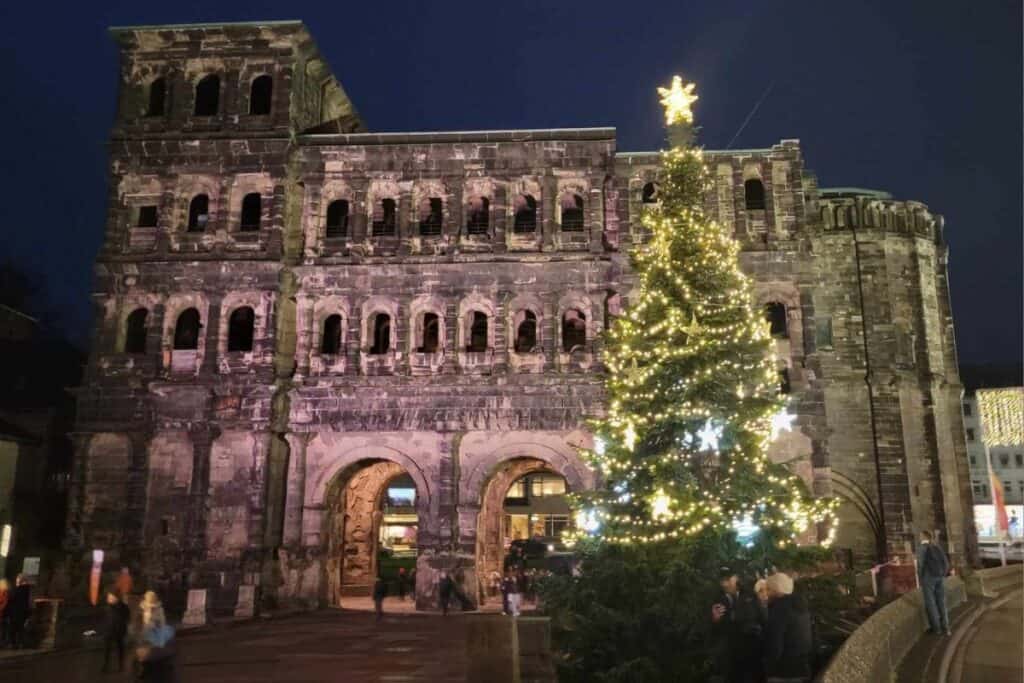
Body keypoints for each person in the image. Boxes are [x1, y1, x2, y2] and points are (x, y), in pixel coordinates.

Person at [709, 566, 766, 683]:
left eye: (728, 579)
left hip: (752, 652)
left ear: (736, 578)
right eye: (722, 580)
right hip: (730, 655)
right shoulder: (716, 599)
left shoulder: (749, 595)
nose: (725, 584)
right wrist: (714, 619)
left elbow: (762, 619)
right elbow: (712, 629)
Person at [762, 572, 812, 683]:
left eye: (768, 589)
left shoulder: (779, 610)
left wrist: (768, 665)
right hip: (801, 668)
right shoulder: (801, 607)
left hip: (782, 672)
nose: (766, 594)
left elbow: (775, 644)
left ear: (775, 590)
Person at [916, 530, 951, 636]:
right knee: (941, 601)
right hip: (939, 576)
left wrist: (921, 577)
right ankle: (946, 627)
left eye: (920, 536)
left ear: (923, 537)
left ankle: (936, 629)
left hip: (928, 578)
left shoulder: (922, 548)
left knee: (930, 603)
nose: (919, 538)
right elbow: (945, 561)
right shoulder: (936, 546)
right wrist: (943, 573)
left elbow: (921, 565)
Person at [136, 591, 176, 682]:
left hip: (155, 632)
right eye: (148, 599)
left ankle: (160, 668)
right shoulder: (142, 608)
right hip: (145, 631)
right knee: (144, 652)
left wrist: (158, 624)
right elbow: (139, 619)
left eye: (151, 599)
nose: (150, 601)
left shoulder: (159, 609)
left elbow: (162, 620)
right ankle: (144, 669)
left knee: (155, 651)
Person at [101, 590, 130, 673]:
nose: (109, 598)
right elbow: (104, 618)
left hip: (119, 630)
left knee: (120, 648)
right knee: (107, 649)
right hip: (108, 630)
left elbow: (127, 616)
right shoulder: (106, 607)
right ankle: (105, 665)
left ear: (116, 598)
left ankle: (121, 665)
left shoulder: (122, 606)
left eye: (111, 597)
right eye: (108, 597)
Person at [7, 574, 31, 649]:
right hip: (23, 612)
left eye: (17, 579)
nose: (16, 580)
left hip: (15, 612)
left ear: (20, 580)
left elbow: (11, 600)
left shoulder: (18, 590)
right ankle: (21, 644)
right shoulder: (28, 590)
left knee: (13, 629)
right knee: (20, 628)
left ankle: (13, 644)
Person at [0, 579, 9, 646]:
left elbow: (5, 603)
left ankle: (2, 642)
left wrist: (1, 609)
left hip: (2, 613)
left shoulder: (4, 592)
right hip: (1, 612)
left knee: (2, 628)